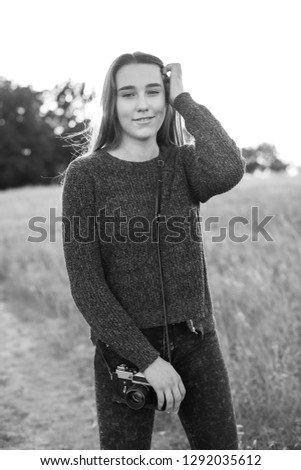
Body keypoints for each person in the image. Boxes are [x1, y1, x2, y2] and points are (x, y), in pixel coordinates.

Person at [61, 51, 246, 450]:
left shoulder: (183, 165)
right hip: (124, 350)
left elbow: (229, 166)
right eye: (128, 94)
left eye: (154, 92)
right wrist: (147, 360)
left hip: (197, 339)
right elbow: (87, 286)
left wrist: (184, 99)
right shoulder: (86, 175)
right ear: (113, 105)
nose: (142, 104)